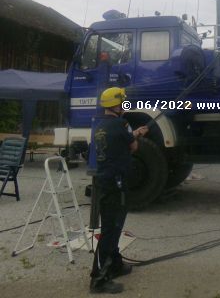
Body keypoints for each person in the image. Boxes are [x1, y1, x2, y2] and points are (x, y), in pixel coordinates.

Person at [90, 87, 147, 294]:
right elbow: (133, 147)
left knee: (113, 227)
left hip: (107, 182)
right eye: (123, 101)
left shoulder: (102, 126)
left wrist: (134, 134)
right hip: (117, 184)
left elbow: (121, 140)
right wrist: (136, 135)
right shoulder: (121, 123)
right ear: (116, 104)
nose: (125, 104)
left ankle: (115, 264)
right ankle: (98, 279)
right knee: (110, 231)